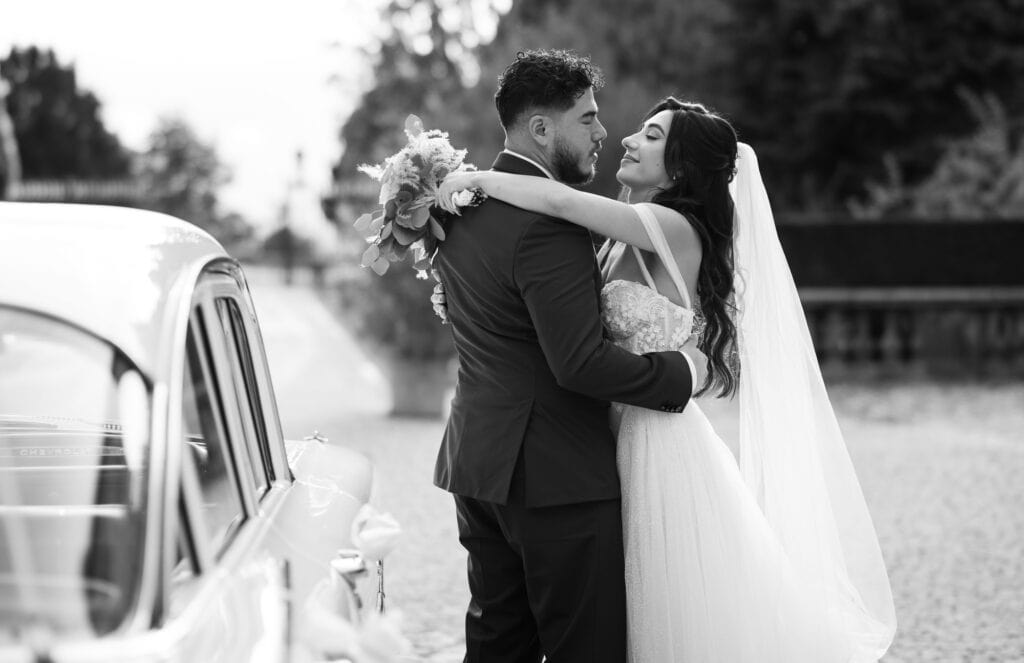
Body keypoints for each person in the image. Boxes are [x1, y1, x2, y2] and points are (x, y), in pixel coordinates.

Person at [438, 97, 898, 661]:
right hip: (605, 435)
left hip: (654, 443)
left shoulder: (671, 226)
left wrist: (473, 180)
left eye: (651, 136)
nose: (628, 139)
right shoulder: (625, 232)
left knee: (662, 613)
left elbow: (557, 198)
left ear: (679, 166)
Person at [430, 50, 707, 662]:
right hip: (557, 481)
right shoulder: (548, 226)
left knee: (499, 645)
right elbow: (578, 364)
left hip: (479, 465)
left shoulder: (454, 211)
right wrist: (681, 373)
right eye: (587, 119)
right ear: (541, 129)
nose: (603, 132)